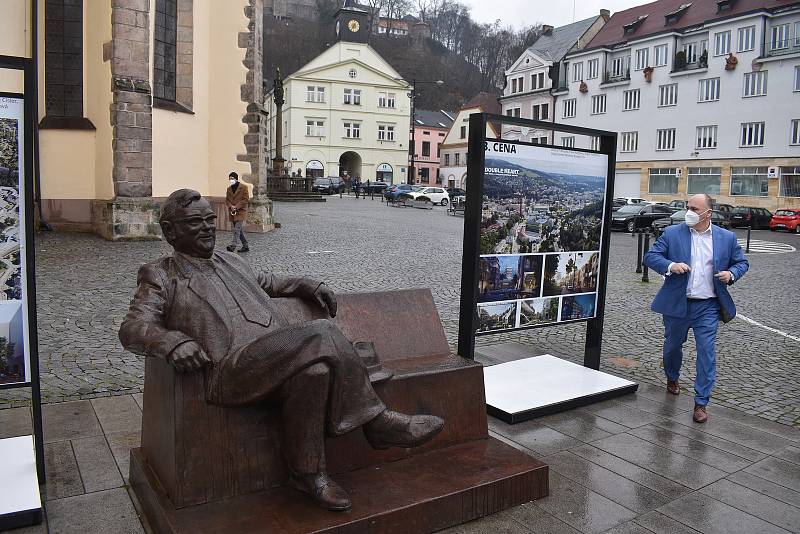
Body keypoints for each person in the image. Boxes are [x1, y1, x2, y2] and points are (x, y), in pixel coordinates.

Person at [119, 190, 443, 511]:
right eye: (194, 222)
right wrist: (172, 341)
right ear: (170, 230)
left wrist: (308, 284)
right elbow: (133, 328)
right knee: (324, 331)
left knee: (314, 373)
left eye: (208, 219)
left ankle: (307, 474)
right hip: (231, 370)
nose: (206, 227)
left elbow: (272, 282)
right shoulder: (161, 275)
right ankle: (377, 423)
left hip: (276, 358)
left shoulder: (231, 260)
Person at [644, 194, 749, 423]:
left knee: (706, 352)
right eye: (687, 207)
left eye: (694, 208)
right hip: (677, 303)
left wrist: (731, 274)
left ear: (708, 213)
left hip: (708, 306)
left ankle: (701, 402)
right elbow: (651, 256)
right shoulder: (673, 233)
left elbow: (742, 263)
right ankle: (672, 377)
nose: (688, 211)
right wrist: (671, 265)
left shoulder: (726, 238)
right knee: (672, 347)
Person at [225, 171, 249, 253]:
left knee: (236, 230)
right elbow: (227, 200)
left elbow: (245, 199)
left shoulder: (244, 187)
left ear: (236, 179)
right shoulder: (229, 189)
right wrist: (230, 206)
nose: (231, 180)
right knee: (239, 230)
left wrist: (236, 206)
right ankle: (245, 245)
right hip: (232, 212)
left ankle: (233, 246)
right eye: (230, 179)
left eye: (232, 178)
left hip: (240, 211)